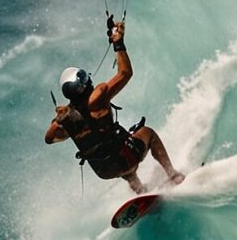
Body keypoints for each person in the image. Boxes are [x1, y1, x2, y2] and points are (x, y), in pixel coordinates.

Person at [44, 20, 184, 194]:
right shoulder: (97, 97)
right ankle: (173, 175)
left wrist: (58, 120)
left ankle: (140, 191)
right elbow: (125, 73)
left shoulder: (65, 120)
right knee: (148, 134)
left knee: (116, 154)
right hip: (125, 159)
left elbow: (49, 139)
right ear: (83, 83)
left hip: (104, 171)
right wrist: (118, 43)